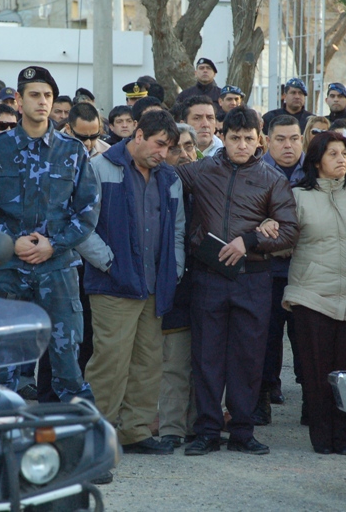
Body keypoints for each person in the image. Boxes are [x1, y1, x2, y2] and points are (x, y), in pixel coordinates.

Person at [0, 65, 98, 404]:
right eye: (34, 95)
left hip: (58, 270)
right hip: (8, 270)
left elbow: (88, 210)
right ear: (19, 102)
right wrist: (10, 242)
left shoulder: (72, 150)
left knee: (67, 361)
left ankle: (74, 442)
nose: (42, 102)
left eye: (48, 96)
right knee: (2, 363)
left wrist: (55, 244)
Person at [175, 106, 299, 456]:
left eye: (248, 138)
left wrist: (251, 240)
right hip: (208, 277)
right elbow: (165, 175)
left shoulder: (273, 179)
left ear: (258, 140)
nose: (241, 145)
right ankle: (208, 430)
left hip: (253, 278)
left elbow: (290, 231)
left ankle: (243, 431)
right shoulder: (201, 170)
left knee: (248, 358)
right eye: (234, 138)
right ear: (222, 137)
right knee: (207, 356)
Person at [76, 110, 184, 455]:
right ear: (138, 135)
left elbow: (178, 231)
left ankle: (135, 431)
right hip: (113, 286)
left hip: (154, 287)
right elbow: (80, 225)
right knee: (110, 361)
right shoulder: (100, 167)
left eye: (168, 148)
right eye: (158, 145)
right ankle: (97, 435)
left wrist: (175, 269)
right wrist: (109, 263)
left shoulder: (169, 177)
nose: (163, 154)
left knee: (148, 362)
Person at [282, 131, 346, 455]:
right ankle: (321, 438)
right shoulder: (298, 196)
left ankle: (343, 437)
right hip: (311, 295)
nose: (342, 159)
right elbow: (281, 234)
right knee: (317, 374)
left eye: (344, 153)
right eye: (333, 154)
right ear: (316, 161)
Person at [252, 115, 307, 427]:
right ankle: (263, 395)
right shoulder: (257, 173)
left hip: (303, 269)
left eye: (295, 138)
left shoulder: (312, 170)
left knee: (305, 341)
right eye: (281, 139)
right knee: (267, 337)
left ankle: (311, 400)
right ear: (267, 141)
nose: (289, 145)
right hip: (267, 270)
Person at [157, 122, 200, 449]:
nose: (184, 155)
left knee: (205, 362)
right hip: (173, 288)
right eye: (176, 148)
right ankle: (172, 427)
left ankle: (201, 424)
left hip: (210, 287)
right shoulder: (155, 185)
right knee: (174, 363)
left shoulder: (209, 183)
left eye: (189, 147)